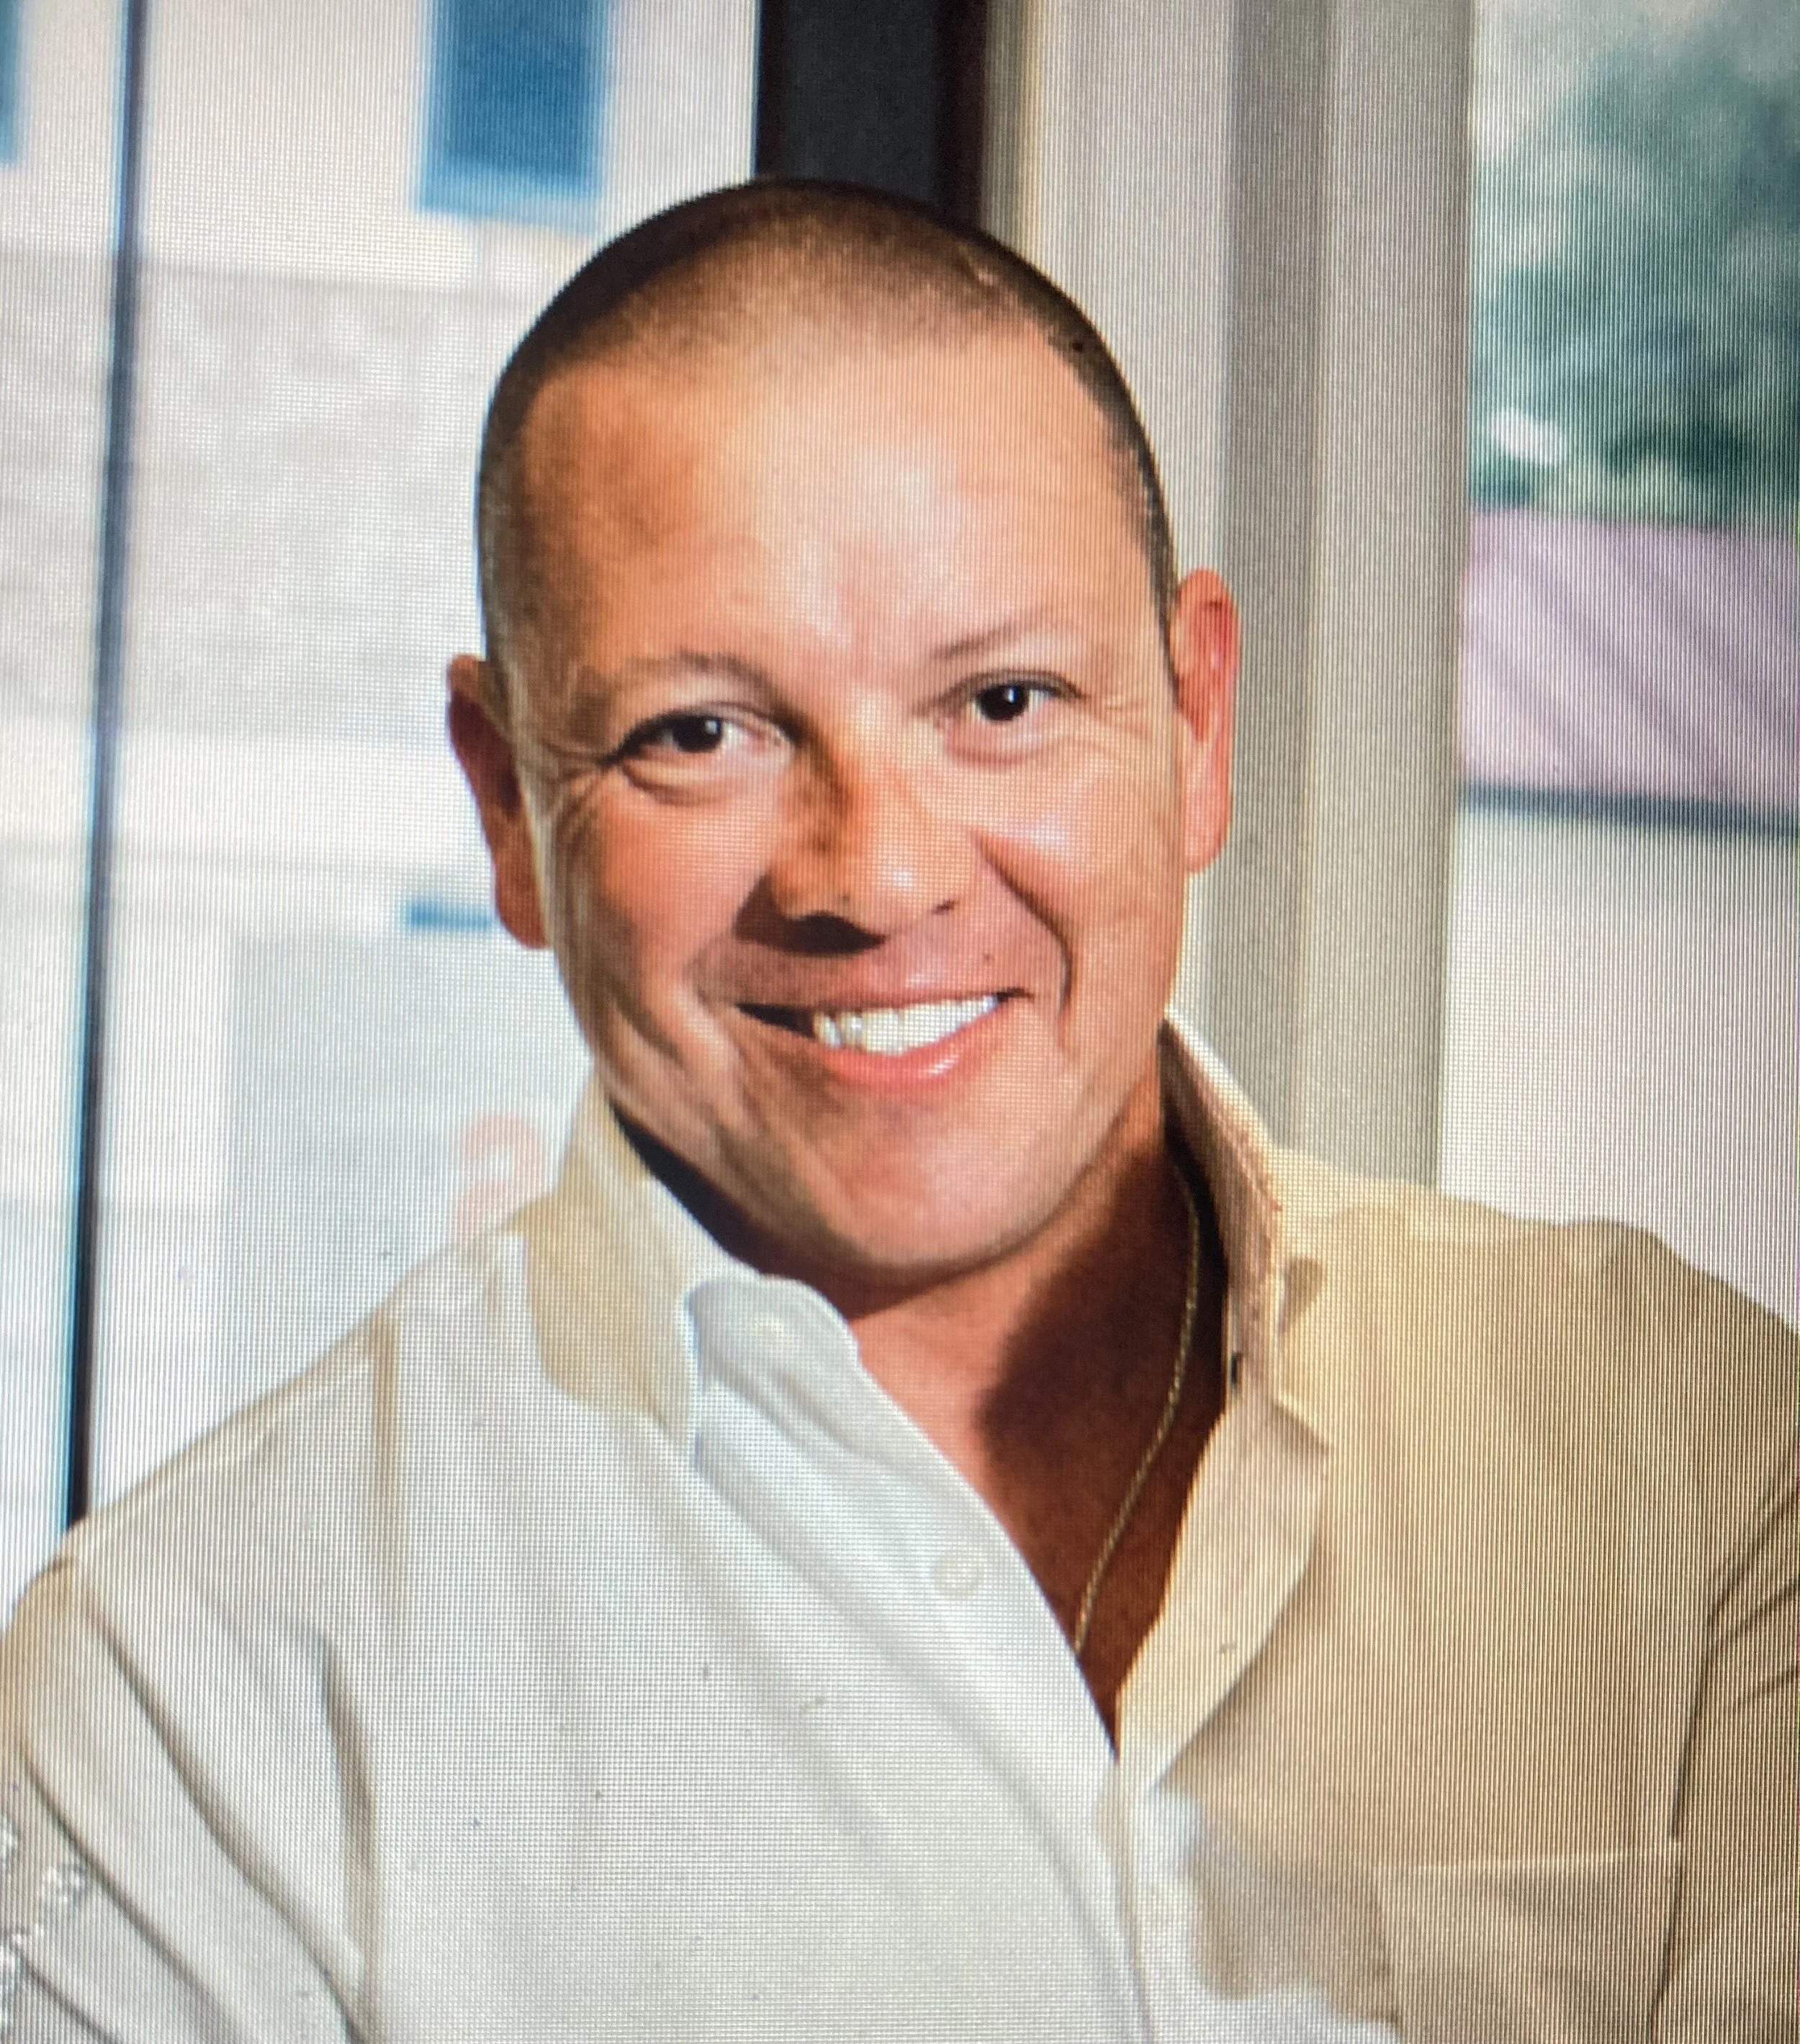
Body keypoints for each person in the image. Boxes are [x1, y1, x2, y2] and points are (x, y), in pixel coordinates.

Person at [0, 180, 1791, 2044]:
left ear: (1193, 721)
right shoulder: (188, 1694)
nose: (874, 870)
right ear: (507, 806)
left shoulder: (1690, 1448)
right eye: (700, 732)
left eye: (999, 699)